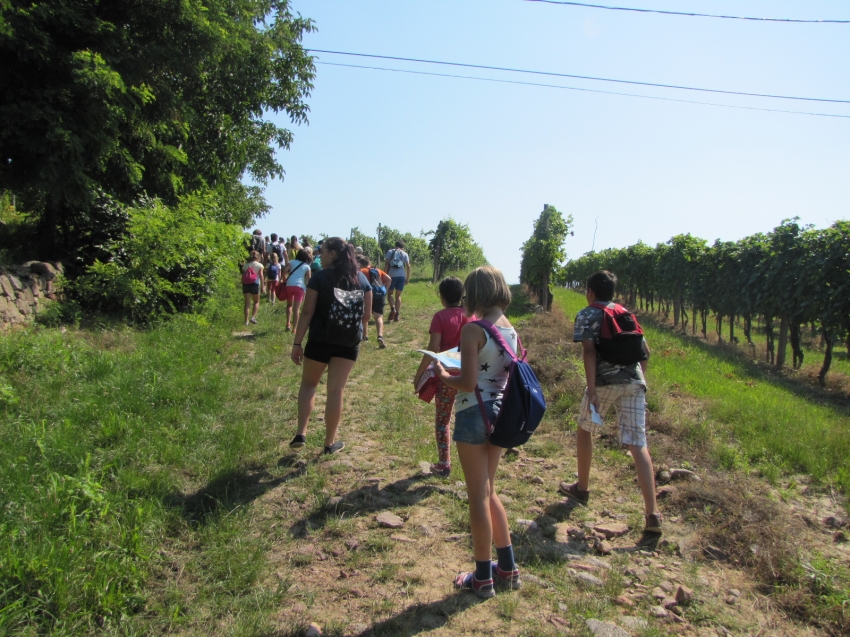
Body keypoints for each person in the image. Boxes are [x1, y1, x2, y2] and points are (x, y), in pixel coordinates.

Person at [432, 266, 521, 598]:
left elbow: (467, 383)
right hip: (500, 414)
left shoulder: (473, 330)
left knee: (477, 497)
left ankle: (482, 576)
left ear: (475, 293)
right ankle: (508, 568)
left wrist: (441, 373)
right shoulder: (510, 330)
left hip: (473, 414)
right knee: (490, 490)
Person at [561, 270, 661, 535]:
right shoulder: (625, 313)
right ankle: (652, 514)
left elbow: (589, 351)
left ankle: (582, 488)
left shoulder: (587, 314)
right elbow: (645, 352)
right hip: (635, 382)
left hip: (605, 382)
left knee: (585, 428)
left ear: (590, 292)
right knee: (637, 443)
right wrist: (640, 382)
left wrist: (592, 390)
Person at [289, 237, 372, 454]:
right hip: (348, 344)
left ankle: (301, 433)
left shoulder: (320, 277)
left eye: (323, 251)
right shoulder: (362, 280)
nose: (320, 255)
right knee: (336, 391)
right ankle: (328, 443)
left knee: (309, 385)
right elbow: (367, 315)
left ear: (333, 253)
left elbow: (307, 312)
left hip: (319, 340)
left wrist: (297, 342)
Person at [413, 276, 469, 478]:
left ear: (442, 297)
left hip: (446, 376)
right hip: (469, 375)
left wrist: (419, 374)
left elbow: (432, 348)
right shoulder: (470, 316)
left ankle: (444, 463)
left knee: (443, 420)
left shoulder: (440, 317)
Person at [358, 255, 391, 348]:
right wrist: (385, 290)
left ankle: (364, 336)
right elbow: (389, 279)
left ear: (360, 264)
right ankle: (380, 336)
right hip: (379, 294)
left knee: (365, 314)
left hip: (367, 295)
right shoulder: (378, 270)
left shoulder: (361, 271)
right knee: (379, 317)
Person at [280, 248, 312, 333]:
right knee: (297, 308)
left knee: (289, 305)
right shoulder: (307, 266)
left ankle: (287, 324)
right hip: (300, 286)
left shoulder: (292, 262)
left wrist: (284, 278)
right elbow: (309, 279)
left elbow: (284, 271)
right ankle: (294, 329)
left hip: (289, 284)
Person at [384, 240, 410, 322]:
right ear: (402, 247)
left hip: (391, 275)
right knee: (398, 296)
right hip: (401, 276)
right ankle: (397, 315)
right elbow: (408, 266)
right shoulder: (404, 253)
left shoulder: (390, 252)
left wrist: (384, 275)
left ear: (395, 245)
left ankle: (393, 309)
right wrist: (407, 278)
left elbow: (387, 264)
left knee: (390, 294)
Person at [241, 250, 265, 325]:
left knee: (247, 303)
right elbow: (261, 275)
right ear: (258, 257)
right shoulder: (260, 265)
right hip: (255, 284)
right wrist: (263, 286)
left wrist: (242, 283)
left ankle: (246, 321)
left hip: (246, 284)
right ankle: (253, 317)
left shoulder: (246, 265)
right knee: (256, 302)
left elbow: (243, 276)